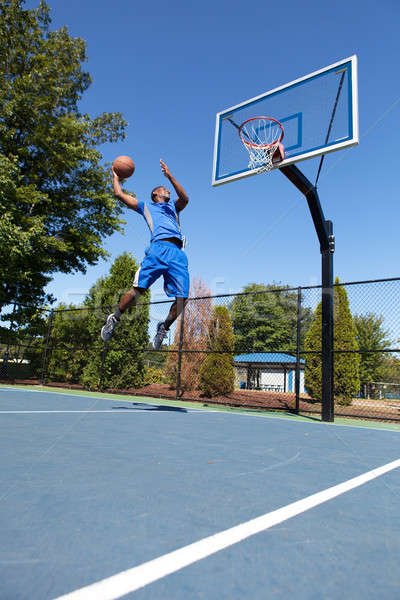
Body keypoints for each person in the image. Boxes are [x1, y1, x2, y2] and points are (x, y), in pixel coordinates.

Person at [101, 159, 189, 350]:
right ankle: (114, 318)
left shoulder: (174, 207)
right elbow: (118, 194)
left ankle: (163, 328)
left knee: (183, 298)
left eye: (168, 189)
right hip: (158, 249)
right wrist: (115, 177)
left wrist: (170, 176)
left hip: (177, 253)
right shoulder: (146, 206)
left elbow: (185, 198)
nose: (168, 190)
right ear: (155, 194)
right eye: (164, 188)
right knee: (138, 290)